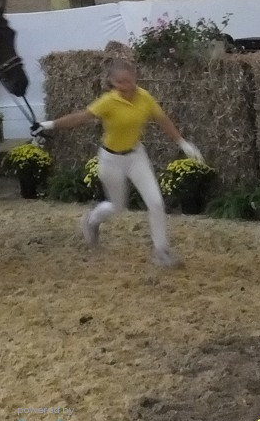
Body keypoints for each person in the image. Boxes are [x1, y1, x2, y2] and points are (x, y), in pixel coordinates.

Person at [36, 59, 203, 267]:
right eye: (120, 82)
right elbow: (81, 118)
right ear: (113, 83)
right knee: (117, 205)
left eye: (129, 81)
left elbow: (163, 120)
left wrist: (183, 143)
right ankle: (92, 220)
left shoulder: (145, 97)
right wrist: (49, 125)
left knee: (156, 203)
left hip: (136, 156)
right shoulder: (108, 101)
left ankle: (162, 251)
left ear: (135, 78)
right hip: (110, 159)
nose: (125, 86)